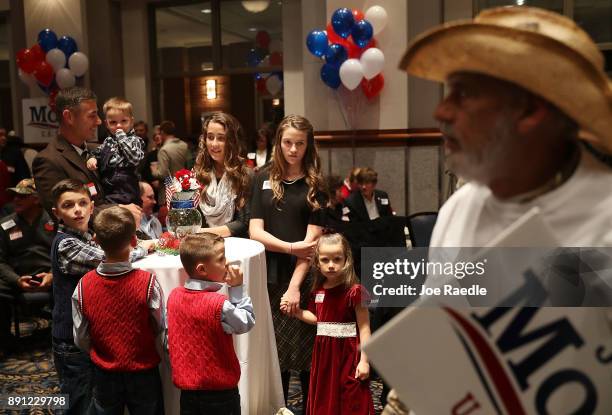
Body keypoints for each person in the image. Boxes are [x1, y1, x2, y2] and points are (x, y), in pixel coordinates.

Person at [383, 5, 612, 413]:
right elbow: (441, 340)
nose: (440, 111)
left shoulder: (605, 222)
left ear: (528, 110)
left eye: (463, 93)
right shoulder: (460, 208)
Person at [50, 179, 153, 414]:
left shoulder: (86, 236)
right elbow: (112, 258)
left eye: (82, 203)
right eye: (68, 205)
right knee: (79, 400)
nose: (77, 210)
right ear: (56, 213)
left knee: (93, 400)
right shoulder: (66, 243)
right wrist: (143, 248)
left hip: (85, 333)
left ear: (91, 206)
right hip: (70, 339)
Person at [249, 114, 326, 409]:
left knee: (306, 352)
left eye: (300, 144)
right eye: (288, 142)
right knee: (276, 352)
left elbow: (312, 245)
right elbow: (255, 232)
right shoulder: (262, 177)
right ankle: (278, 408)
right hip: (267, 273)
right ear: (278, 143)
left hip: (303, 276)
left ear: (309, 146)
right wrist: (291, 247)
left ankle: (309, 408)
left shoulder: (316, 184)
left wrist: (294, 288)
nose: (293, 149)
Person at [72, 206, 164, 414]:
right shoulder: (148, 282)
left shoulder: (83, 285)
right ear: (134, 241)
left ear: (95, 239)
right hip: (143, 369)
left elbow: (80, 337)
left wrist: (105, 352)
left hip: (105, 370)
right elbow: (159, 327)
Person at [283, 233, 374, 415]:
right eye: (325, 260)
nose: (331, 265)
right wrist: (297, 312)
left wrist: (364, 361)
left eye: (337, 259)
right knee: (326, 400)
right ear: (317, 262)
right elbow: (319, 320)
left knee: (351, 398)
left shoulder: (355, 291)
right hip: (324, 356)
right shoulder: (317, 291)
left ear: (346, 260)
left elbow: (365, 329)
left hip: (349, 354)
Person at [166, 232, 255, 415]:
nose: (227, 263)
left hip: (188, 391)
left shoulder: (174, 296)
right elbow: (245, 323)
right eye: (221, 259)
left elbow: (167, 338)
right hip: (220, 393)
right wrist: (237, 288)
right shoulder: (217, 304)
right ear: (202, 269)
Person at [32, 86, 142, 221]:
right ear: (69, 117)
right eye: (92, 115)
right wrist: (117, 209)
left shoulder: (101, 149)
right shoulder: (48, 160)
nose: (99, 121)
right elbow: (63, 214)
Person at [0, 179, 54, 352]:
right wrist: (16, 280)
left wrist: (52, 275)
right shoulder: (6, 224)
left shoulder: (55, 221)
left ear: (37, 199)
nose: (16, 200)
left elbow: (64, 254)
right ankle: (4, 340)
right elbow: (0, 261)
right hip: (17, 279)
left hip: (51, 277)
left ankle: (65, 335)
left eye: (22, 196)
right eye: (14, 196)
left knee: (75, 280)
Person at [194, 112, 251, 238]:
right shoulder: (198, 174)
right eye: (210, 137)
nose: (214, 144)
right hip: (204, 247)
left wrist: (200, 233)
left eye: (221, 138)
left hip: (236, 245)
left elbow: (243, 223)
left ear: (231, 141)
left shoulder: (245, 175)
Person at [86, 97, 144, 206]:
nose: (119, 125)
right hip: (108, 185)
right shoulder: (108, 141)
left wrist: (121, 137)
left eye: (124, 121)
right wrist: (92, 158)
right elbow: (97, 152)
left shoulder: (135, 140)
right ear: (107, 124)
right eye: (113, 122)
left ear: (131, 122)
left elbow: (134, 158)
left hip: (126, 188)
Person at [155, 120, 191, 204]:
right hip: (184, 188)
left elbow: (163, 174)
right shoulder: (184, 145)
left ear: (162, 132)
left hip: (169, 193)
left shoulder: (164, 150)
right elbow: (189, 166)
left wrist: (154, 172)